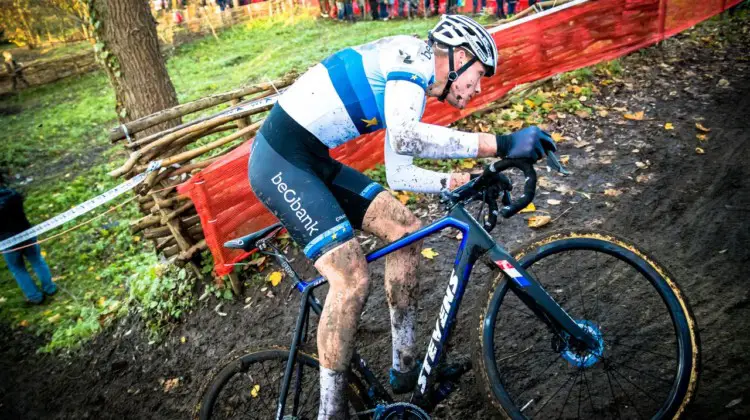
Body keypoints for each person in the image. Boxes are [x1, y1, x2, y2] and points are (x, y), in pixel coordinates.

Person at [247, 15, 555, 419]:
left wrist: (456, 180)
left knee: (405, 230)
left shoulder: (414, 82)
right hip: (280, 162)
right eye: (478, 75)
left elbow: (399, 172)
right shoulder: (411, 58)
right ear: (460, 57)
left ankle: (405, 372)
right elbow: (408, 136)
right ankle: (329, 413)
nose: (478, 88)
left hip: (311, 160)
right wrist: (500, 143)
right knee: (351, 276)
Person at [0, 173, 57, 304]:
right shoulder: (14, 195)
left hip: (6, 241)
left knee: (18, 269)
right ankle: (50, 288)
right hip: (27, 233)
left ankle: (35, 297)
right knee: (37, 260)